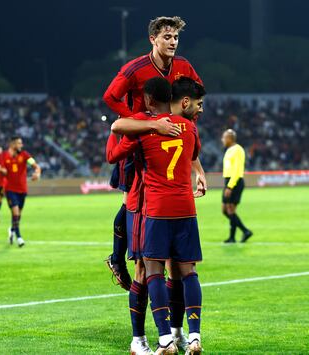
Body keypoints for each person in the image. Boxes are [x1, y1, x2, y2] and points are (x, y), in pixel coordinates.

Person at [103, 16, 206, 354]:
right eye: (166, 36)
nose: (172, 42)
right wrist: (142, 122)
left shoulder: (185, 68)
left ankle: (173, 333)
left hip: (168, 156)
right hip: (141, 154)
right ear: (152, 39)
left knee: (173, 268)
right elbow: (110, 99)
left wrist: (195, 161)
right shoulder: (135, 70)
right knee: (141, 257)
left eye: (175, 36)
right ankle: (141, 335)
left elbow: (194, 102)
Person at [2, 136, 41, 247]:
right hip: (10, 189)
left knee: (18, 215)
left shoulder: (25, 155)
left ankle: (12, 229)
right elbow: (2, 170)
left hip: (22, 189)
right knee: (15, 213)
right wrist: (1, 171)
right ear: (12, 144)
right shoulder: (4, 156)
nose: (21, 145)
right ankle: (19, 237)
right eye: (19, 143)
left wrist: (37, 173)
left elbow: (36, 166)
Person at [221, 129, 253, 243]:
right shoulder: (229, 150)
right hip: (228, 181)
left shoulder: (238, 150)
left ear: (230, 138)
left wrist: (230, 186)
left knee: (230, 210)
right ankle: (243, 232)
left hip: (235, 181)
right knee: (225, 210)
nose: (222, 140)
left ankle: (235, 236)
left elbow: (237, 169)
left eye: (224, 137)